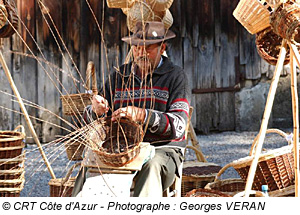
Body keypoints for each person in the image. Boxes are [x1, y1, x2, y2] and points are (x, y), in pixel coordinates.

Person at [73, 21, 191, 197]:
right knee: (89, 166)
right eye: (137, 47)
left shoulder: (175, 76)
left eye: (148, 47)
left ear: (162, 47)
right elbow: (88, 123)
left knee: (151, 166)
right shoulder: (120, 76)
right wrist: (95, 110)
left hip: (162, 148)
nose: (141, 53)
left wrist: (143, 115)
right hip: (122, 150)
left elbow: (179, 126)